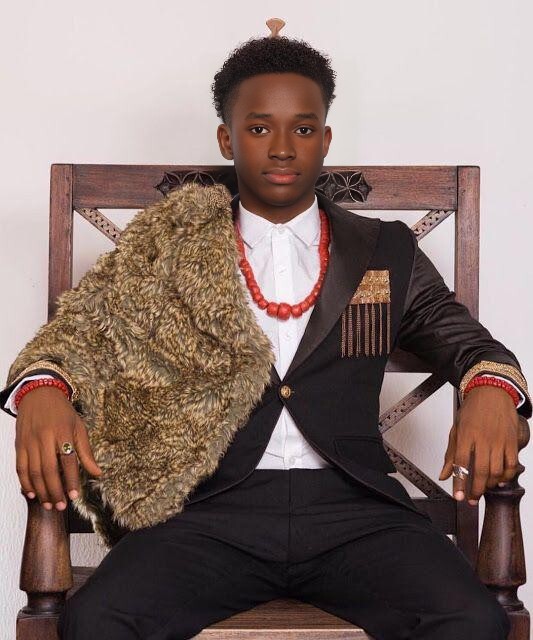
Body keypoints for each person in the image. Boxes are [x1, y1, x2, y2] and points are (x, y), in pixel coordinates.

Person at [1, 18, 530, 640]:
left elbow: (470, 344)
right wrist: (43, 392)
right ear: (227, 139)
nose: (282, 147)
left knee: (471, 621)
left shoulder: (386, 249)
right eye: (259, 129)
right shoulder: (171, 248)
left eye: (303, 129)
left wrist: (490, 387)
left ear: (325, 139)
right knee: (97, 620)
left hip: (356, 512)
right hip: (210, 512)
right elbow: (71, 339)